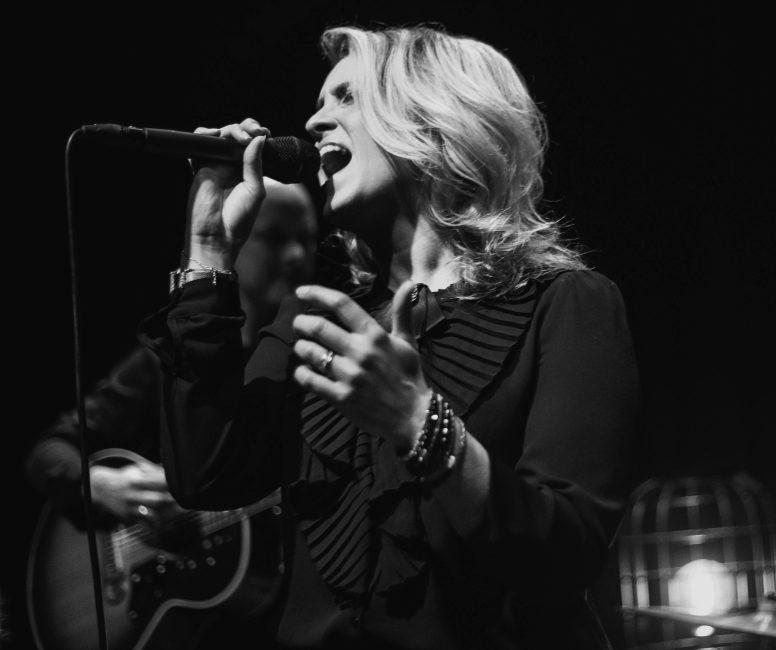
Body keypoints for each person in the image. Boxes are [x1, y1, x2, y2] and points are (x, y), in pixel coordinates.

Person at [137, 24, 640, 649]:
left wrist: (417, 422)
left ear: (433, 121)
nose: (314, 122)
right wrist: (209, 248)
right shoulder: (314, 317)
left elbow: (567, 553)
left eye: (347, 97)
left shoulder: (567, 304)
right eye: (319, 101)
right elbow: (206, 475)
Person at [24, 178, 318, 648]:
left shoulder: (316, 358)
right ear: (235, 240)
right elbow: (49, 451)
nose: (297, 255)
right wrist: (97, 485)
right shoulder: (169, 361)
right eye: (277, 237)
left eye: (308, 239)